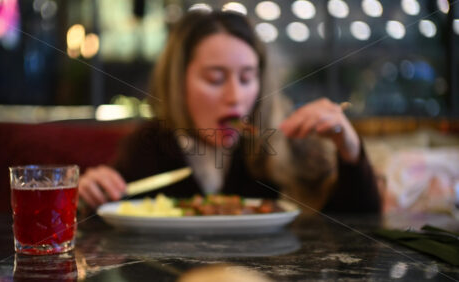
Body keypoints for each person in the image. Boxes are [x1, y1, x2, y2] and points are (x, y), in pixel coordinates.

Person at [78, 11, 381, 213]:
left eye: (247, 77)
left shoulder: (283, 140)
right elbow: (113, 216)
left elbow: (358, 223)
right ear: (179, 83)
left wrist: (349, 148)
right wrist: (94, 194)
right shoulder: (145, 147)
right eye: (215, 78)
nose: (235, 96)